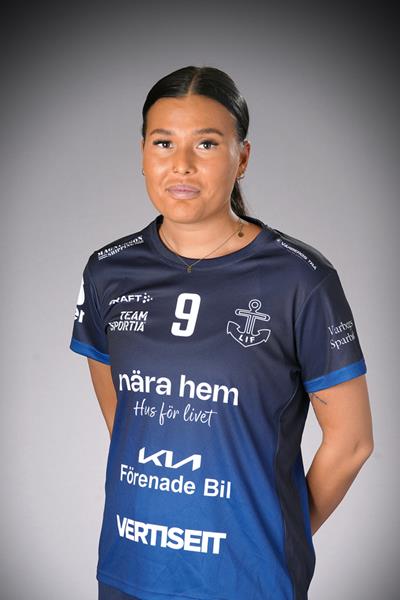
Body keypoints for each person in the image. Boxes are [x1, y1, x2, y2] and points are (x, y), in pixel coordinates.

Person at [69, 65, 374, 600]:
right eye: (163, 142)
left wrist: (270, 534)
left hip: (246, 580)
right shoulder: (108, 271)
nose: (181, 164)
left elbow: (351, 443)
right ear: (142, 153)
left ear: (242, 158)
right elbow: (128, 419)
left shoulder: (300, 278)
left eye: (206, 144)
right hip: (131, 567)